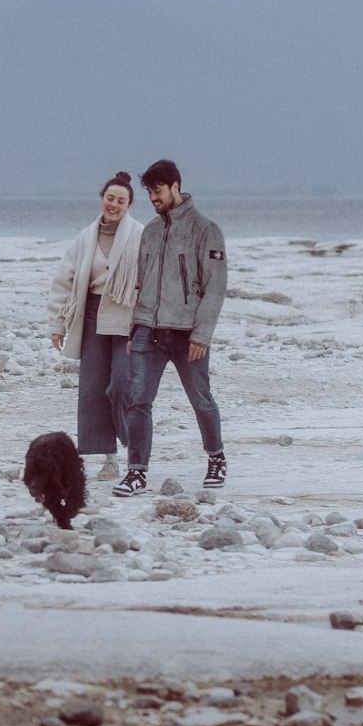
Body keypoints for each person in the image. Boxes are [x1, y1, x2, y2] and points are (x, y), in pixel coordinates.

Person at [113, 159, 227, 497]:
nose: (152, 198)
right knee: (137, 401)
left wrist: (202, 335)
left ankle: (216, 458)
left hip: (187, 333)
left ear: (175, 186)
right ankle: (136, 473)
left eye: (157, 191)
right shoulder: (150, 231)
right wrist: (136, 329)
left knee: (201, 400)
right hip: (149, 330)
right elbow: (142, 285)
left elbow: (215, 288)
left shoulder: (206, 230)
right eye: (148, 192)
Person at [47, 171, 144, 480]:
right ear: (102, 198)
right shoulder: (85, 237)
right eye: (110, 198)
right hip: (90, 315)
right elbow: (65, 279)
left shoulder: (141, 235)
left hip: (127, 317)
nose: (114, 204)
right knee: (92, 390)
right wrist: (57, 323)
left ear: (130, 204)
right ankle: (109, 457)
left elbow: (149, 281)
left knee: (120, 385)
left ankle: (133, 443)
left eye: (121, 200)